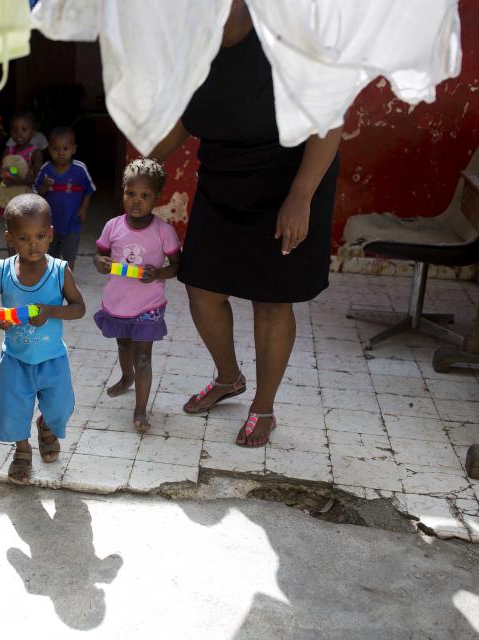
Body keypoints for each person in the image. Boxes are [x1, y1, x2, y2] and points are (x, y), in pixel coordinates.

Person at [150, 0, 342, 447]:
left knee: (271, 298)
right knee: (202, 287)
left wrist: (300, 197)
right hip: (225, 173)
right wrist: (143, 161)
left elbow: (329, 118)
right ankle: (229, 377)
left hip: (289, 175)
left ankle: (264, 405)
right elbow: (182, 121)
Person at [0, 193, 86, 485]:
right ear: (10, 238)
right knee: (13, 410)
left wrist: (51, 311)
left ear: (51, 234)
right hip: (15, 359)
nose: (33, 244)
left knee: (60, 406)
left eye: (40, 236)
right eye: (24, 238)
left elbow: (79, 309)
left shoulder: (60, 271)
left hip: (52, 358)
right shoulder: (1, 271)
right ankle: (22, 450)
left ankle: (47, 426)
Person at [93, 159, 181, 432]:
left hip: (148, 305)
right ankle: (126, 376)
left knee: (143, 356)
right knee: (123, 345)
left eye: (145, 196)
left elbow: (177, 266)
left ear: (157, 197)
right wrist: (100, 263)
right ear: (123, 192)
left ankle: (141, 410)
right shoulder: (113, 226)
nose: (136, 201)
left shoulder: (163, 231)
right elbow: (100, 256)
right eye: (130, 194)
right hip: (119, 302)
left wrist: (158, 274)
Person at [33, 126, 96, 270]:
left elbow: (89, 190)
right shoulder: (46, 169)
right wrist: (44, 186)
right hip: (49, 222)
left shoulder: (80, 169)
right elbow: (36, 193)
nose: (61, 153)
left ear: (73, 149)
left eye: (65, 148)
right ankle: (52, 278)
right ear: (49, 150)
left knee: (69, 253)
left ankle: (68, 279)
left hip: (72, 221)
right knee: (50, 252)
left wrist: (84, 208)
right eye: (55, 149)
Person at [0, 111, 44, 213]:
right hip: (8, 195)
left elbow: (38, 178)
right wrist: (3, 175)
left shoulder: (35, 153)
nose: (19, 133)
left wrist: (17, 181)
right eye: (15, 130)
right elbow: (0, 173)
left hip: (26, 196)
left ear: (32, 133)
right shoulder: (7, 151)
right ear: (10, 132)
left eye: (24, 130)